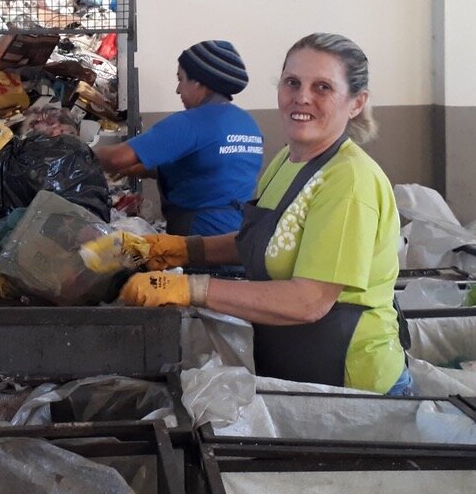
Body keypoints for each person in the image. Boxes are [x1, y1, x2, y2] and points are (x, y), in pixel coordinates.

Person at [111, 33, 408, 394]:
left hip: (354, 386)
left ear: (356, 102)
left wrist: (190, 286)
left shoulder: (349, 181)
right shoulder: (289, 159)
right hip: (297, 371)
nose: (302, 97)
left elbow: (309, 301)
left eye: (323, 87)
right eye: (292, 82)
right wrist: (173, 249)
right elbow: (261, 241)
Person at [95, 40, 263, 235]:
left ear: (199, 82)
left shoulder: (191, 122)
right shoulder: (247, 123)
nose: (177, 89)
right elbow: (202, 169)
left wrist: (80, 152)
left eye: (180, 79)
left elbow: (117, 158)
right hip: (238, 235)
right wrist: (134, 169)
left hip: (201, 235)